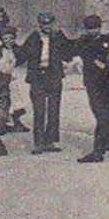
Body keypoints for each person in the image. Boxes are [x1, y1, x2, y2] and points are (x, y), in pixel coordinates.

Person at [75, 15, 109, 162]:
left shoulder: (106, 41)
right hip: (92, 83)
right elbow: (72, 52)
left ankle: (98, 151)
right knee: (102, 114)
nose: (93, 31)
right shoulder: (81, 42)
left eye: (96, 28)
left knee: (106, 115)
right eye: (90, 28)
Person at [21, 12, 69, 154]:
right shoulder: (33, 37)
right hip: (38, 76)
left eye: (49, 23)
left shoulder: (59, 36)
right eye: (43, 23)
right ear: (39, 24)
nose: (46, 26)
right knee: (39, 109)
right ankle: (38, 142)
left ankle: (50, 141)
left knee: (54, 109)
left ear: (53, 23)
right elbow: (22, 54)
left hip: (53, 75)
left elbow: (68, 50)